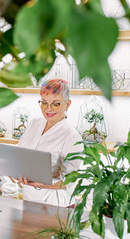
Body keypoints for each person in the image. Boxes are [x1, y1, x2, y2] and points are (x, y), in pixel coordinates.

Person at [17, 79, 83, 207]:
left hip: (57, 205)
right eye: (44, 103)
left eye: (56, 104)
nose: (49, 109)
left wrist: (42, 184)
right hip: (29, 200)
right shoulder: (34, 124)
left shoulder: (72, 136)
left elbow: (70, 180)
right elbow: (20, 155)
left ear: (67, 104)